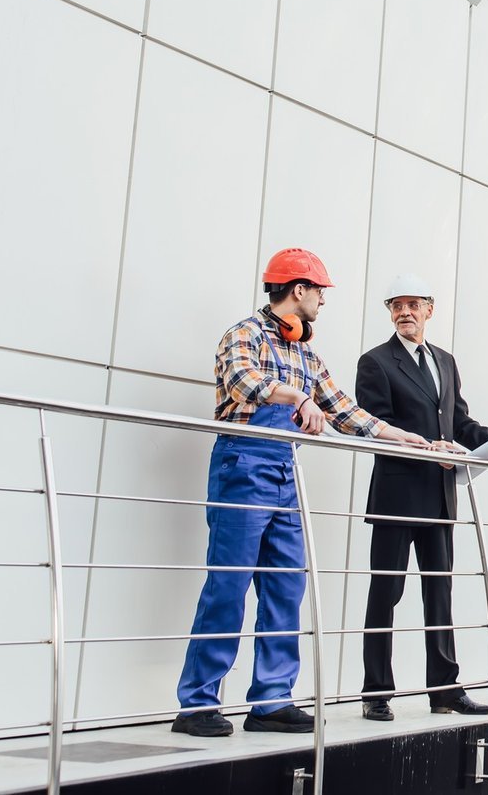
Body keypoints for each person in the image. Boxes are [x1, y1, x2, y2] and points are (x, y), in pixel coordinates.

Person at [172, 248, 428, 738]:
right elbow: (245, 382)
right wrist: (296, 396)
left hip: (285, 474)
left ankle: (270, 700)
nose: (323, 302)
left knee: (286, 587)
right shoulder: (243, 335)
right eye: (320, 292)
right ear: (299, 290)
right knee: (228, 585)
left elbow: (344, 411)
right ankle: (198, 703)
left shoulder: (307, 353)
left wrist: (400, 436)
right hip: (242, 464)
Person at [357, 273, 488, 721]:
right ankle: (376, 692)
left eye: (413, 304)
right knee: (385, 594)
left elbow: (458, 423)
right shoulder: (375, 362)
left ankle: (444, 690)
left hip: (441, 496)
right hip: (396, 494)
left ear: (430, 309)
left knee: (439, 596)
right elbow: (377, 425)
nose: (404, 312)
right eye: (396, 305)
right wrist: (431, 450)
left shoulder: (445, 361)